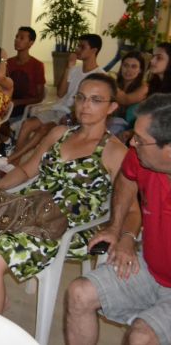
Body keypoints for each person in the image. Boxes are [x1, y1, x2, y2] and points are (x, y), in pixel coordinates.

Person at [0, 73, 127, 314]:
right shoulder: (60, 133)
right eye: (81, 97)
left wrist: (121, 235)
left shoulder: (115, 151)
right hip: (27, 208)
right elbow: (27, 170)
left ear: (112, 107)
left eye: (96, 100)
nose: (85, 105)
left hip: (67, 226)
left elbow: (130, 206)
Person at [65, 93, 171, 345]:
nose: (132, 143)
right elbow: (126, 178)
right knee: (79, 293)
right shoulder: (142, 158)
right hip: (150, 268)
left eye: (140, 140)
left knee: (141, 336)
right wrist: (120, 230)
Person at [7, 34, 104, 166]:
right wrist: (68, 67)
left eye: (82, 47)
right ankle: (14, 163)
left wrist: (72, 115)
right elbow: (60, 93)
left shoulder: (100, 76)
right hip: (59, 109)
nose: (77, 49)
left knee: (43, 130)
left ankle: (13, 160)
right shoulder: (74, 70)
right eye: (77, 46)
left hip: (74, 116)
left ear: (94, 50)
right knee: (27, 125)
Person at [5, 26, 45, 118]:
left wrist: (17, 102)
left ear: (31, 43)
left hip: (25, 105)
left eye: (22, 38)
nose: (17, 40)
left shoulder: (37, 65)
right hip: (8, 101)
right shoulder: (8, 62)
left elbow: (39, 97)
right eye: (16, 37)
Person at [108, 51, 148, 136]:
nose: (128, 70)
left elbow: (125, 100)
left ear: (140, 70)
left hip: (130, 133)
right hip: (109, 125)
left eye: (134, 67)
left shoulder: (144, 88)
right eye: (125, 65)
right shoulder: (117, 84)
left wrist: (109, 82)